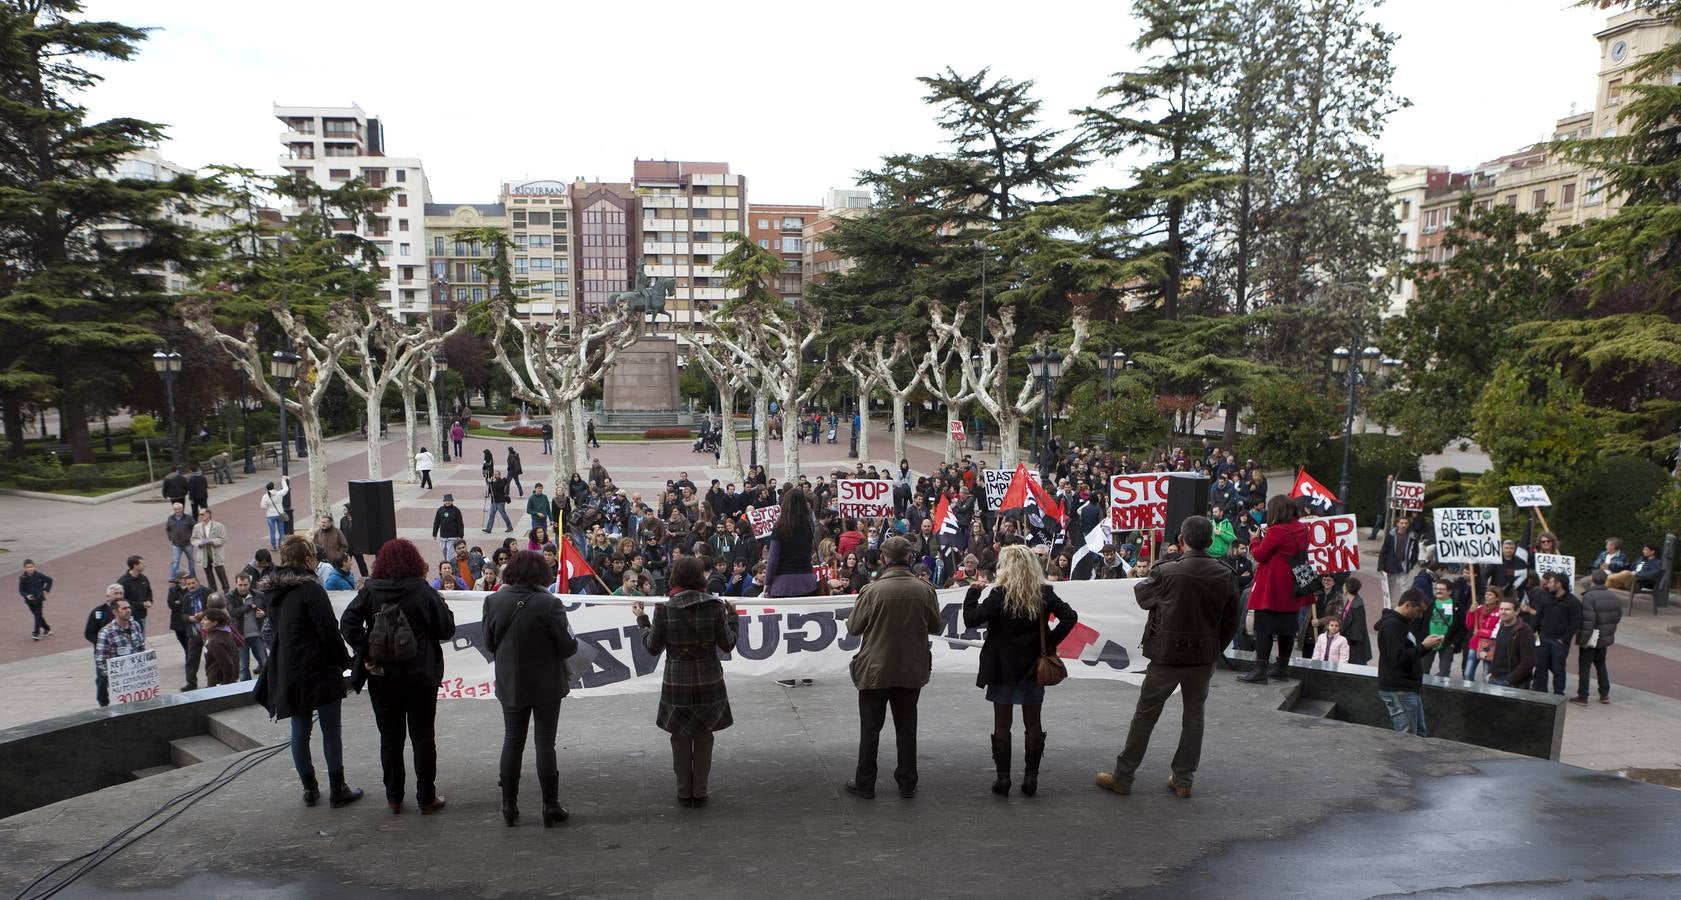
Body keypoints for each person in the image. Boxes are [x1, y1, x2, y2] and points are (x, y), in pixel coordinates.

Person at [1096, 516, 1238, 800]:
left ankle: (1123, 778)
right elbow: (1231, 621)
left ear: (1182, 541)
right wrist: (1213, 649)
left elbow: (1142, 597)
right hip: (1202, 657)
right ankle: (1184, 779)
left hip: (1167, 656)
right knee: (1194, 717)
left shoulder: (1166, 571)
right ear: (1210, 542)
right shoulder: (1225, 574)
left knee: (1145, 716)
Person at [340, 538, 456, 815]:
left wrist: (367, 653)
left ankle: (394, 797)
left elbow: (348, 623)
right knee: (423, 737)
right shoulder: (422, 591)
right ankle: (426, 797)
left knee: (390, 738)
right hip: (420, 676)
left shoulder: (371, 590)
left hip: (382, 675)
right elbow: (446, 629)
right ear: (414, 561)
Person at [963, 544, 1079, 798]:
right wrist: (1049, 643)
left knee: (1002, 723)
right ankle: (1031, 778)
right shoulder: (1043, 592)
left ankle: (1003, 779)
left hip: (1002, 666)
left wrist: (972, 594)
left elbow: (971, 620)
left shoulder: (999, 594)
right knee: (1033, 722)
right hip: (1032, 666)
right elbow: (1070, 617)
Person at [258, 534, 363, 808]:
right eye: (315, 557)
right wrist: (346, 663)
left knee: (299, 727)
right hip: (318, 667)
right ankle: (337, 788)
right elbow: (328, 630)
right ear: (307, 560)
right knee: (331, 729)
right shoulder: (311, 590)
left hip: (288, 668)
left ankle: (309, 788)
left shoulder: (273, 592)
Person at [482, 550, 578, 827]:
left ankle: (509, 805)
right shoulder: (550, 604)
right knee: (545, 743)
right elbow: (569, 646)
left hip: (511, 682)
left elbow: (489, 644)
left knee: (512, 741)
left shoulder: (493, 600)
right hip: (546, 683)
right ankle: (550, 805)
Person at [632, 556, 738, 807]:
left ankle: (683, 792)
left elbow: (652, 648)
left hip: (676, 681)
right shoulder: (714, 606)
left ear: (675, 577)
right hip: (708, 679)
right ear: (700, 577)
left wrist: (642, 621)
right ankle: (700, 791)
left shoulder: (663, 609)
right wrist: (733, 618)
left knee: (679, 737)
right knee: (704, 736)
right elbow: (728, 644)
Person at [842, 536, 942, 800]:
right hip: (910, 668)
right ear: (909, 557)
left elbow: (853, 627)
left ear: (884, 559)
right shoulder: (925, 590)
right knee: (907, 727)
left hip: (875, 668)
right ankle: (907, 781)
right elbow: (936, 626)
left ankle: (866, 783)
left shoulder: (871, 591)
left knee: (870, 729)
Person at [1237, 495, 1309, 685]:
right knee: (1287, 630)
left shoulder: (1277, 531)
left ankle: (1260, 670)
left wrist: (1254, 540)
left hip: (1273, 587)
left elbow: (1260, 555)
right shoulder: (1302, 529)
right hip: (1293, 586)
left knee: (1264, 629)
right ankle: (1281, 669)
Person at [1375, 589, 1443, 735]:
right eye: (1419, 611)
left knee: (1418, 734)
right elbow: (1398, 659)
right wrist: (1424, 646)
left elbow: (1408, 654)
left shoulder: (1401, 623)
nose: (1421, 615)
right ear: (1407, 605)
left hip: (1407, 688)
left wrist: (1426, 646)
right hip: (1398, 689)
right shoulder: (1392, 625)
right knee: (1408, 736)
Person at [1574, 570, 1623, 705]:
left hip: (1591, 637)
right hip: (1605, 637)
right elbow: (1617, 615)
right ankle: (1604, 693)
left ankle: (1583, 695)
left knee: (1584, 667)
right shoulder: (1613, 596)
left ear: (1592, 580)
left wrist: (1583, 640)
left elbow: (1588, 621)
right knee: (1601, 664)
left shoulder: (1589, 597)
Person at [1531, 571, 1582, 695]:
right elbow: (1538, 616)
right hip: (1542, 638)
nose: (1548, 585)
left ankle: (1558, 693)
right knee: (1540, 666)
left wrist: (1564, 639)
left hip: (1559, 641)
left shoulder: (1573, 602)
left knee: (1558, 668)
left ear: (1559, 584)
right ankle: (1539, 691)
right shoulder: (1546, 597)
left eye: (1551, 582)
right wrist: (1534, 634)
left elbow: (1575, 622)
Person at [764, 487, 819, 598]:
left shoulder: (779, 527)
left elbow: (773, 558)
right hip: (807, 582)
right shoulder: (809, 526)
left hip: (783, 583)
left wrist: (767, 582)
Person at [93, 594, 146, 708]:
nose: (128, 610)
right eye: (124, 608)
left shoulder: (136, 625)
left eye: (129, 607)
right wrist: (115, 677)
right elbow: (101, 661)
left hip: (136, 677)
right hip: (120, 682)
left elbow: (141, 647)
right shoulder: (106, 632)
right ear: (115, 612)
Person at [167, 573, 208, 691]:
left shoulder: (207, 592)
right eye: (188, 584)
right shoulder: (186, 597)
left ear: (198, 582)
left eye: (193, 583)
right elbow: (183, 614)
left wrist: (203, 614)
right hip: (193, 632)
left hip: (207, 631)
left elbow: (214, 607)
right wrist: (189, 618)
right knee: (191, 659)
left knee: (210, 657)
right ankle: (191, 683)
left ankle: (212, 681)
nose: (191, 586)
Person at [226, 572, 267, 681]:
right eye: (240, 585)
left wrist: (264, 613)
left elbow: (269, 609)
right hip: (241, 637)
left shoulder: (258, 595)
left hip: (257, 634)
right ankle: (245, 693)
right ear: (236, 584)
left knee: (265, 663)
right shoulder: (230, 597)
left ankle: (269, 686)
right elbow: (233, 612)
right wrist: (249, 606)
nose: (243, 588)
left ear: (249, 584)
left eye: (245, 585)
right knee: (243, 667)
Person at [1486, 599, 1536, 688]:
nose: (1503, 612)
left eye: (1507, 609)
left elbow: (1528, 662)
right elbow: (1497, 652)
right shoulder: (1502, 626)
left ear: (1517, 611)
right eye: (1501, 609)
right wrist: (1491, 672)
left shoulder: (1524, 631)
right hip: (1495, 678)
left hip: (1513, 683)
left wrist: (1509, 680)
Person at [1377, 515, 1422, 608]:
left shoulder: (1412, 536)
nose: (1404, 525)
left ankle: (1403, 607)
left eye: (1406, 523)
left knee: (1405, 589)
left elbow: (1415, 551)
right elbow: (1384, 550)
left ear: (1408, 525)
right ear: (1397, 524)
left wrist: (1411, 564)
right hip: (1390, 566)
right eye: (1401, 523)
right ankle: (1388, 607)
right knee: (1389, 589)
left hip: (1404, 566)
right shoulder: (1391, 535)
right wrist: (1381, 566)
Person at [1463, 586, 1502, 682]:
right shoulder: (1479, 608)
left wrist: (1480, 632)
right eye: (1486, 594)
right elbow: (1469, 626)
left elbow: (1496, 633)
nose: (1487, 596)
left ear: (1497, 598)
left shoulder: (1500, 611)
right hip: (1475, 644)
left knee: (1486, 675)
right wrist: (1471, 612)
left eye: (1490, 595)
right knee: (1467, 674)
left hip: (1490, 645)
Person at [202, 600, 241, 688]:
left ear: (215, 622)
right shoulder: (222, 633)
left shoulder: (216, 641)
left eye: (205, 619)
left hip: (218, 681)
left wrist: (227, 683)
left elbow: (226, 663)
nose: (202, 622)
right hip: (217, 678)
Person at [191, 508, 229, 593]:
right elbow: (193, 539)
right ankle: (212, 589)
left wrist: (212, 541)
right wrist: (199, 543)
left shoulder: (219, 526)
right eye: (199, 515)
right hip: (204, 552)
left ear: (208, 514)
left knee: (220, 571)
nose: (200, 516)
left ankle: (226, 589)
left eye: (202, 514)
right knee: (208, 572)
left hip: (215, 552)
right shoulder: (197, 527)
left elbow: (223, 539)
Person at [18, 559, 53, 640]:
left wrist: (46, 590)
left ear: (35, 567)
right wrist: (26, 596)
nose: (30, 568)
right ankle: (47, 629)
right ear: (24, 568)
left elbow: (50, 580)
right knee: (38, 616)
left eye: (31, 567)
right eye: (27, 567)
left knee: (37, 616)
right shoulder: (22, 578)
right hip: (29, 601)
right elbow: (21, 590)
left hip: (39, 599)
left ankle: (36, 633)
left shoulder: (39, 575)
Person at [117, 555, 153, 628]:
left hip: (142, 615)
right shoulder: (123, 582)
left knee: (141, 636)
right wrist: (141, 605)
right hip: (129, 616)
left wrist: (149, 601)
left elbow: (149, 591)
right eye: (142, 564)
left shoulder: (143, 578)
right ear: (135, 566)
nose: (144, 565)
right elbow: (122, 600)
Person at [164, 502, 196, 582]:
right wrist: (170, 537)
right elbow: (168, 529)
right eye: (175, 509)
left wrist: (193, 537)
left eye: (179, 509)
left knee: (191, 560)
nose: (177, 511)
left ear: (182, 509)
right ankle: (174, 577)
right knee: (175, 561)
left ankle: (192, 575)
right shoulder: (170, 518)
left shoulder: (188, 518)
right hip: (176, 544)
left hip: (188, 543)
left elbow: (195, 527)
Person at [260, 476, 290, 550]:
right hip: (280, 514)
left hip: (270, 515)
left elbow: (263, 506)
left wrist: (269, 506)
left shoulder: (265, 496)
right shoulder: (279, 494)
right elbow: (286, 489)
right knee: (281, 530)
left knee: (272, 531)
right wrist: (283, 480)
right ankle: (282, 544)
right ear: (273, 487)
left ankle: (274, 546)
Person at [433, 494, 465, 561]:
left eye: (449, 501)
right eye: (446, 501)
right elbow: (436, 522)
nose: (447, 502)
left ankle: (450, 564)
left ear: (452, 501)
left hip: (453, 536)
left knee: (450, 553)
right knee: (444, 551)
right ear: (444, 501)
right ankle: (447, 562)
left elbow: (460, 523)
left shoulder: (456, 510)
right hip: (443, 536)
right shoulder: (440, 510)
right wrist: (434, 534)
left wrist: (460, 535)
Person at [339, 503, 367, 578]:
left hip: (357, 546)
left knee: (361, 562)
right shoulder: (343, 520)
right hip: (347, 546)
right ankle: (346, 576)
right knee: (345, 562)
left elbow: (362, 531)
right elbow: (341, 532)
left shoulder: (357, 520)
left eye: (345, 509)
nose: (343, 511)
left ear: (349, 510)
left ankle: (365, 576)